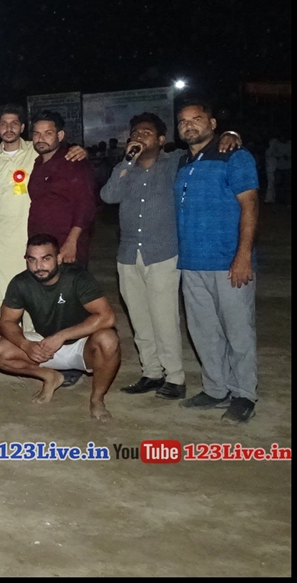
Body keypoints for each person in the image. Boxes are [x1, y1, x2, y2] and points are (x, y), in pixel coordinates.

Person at [173, 101, 259, 424]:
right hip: (191, 262)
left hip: (228, 262)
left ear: (212, 123)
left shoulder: (234, 156)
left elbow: (250, 206)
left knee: (239, 332)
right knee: (203, 331)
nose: (189, 125)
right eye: (183, 121)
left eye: (196, 119)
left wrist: (243, 255)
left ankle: (244, 394)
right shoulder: (182, 161)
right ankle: (215, 389)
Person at [0, 234, 121, 421]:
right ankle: (49, 376)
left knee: (108, 339)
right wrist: (26, 345)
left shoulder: (77, 278)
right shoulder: (21, 282)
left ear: (58, 258)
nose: (39, 266)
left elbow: (107, 317)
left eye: (45, 259)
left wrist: (62, 336)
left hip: (82, 346)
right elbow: (7, 322)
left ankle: (97, 399)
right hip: (44, 344)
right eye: (32, 260)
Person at [99, 113, 187, 400]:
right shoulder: (125, 168)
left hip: (162, 252)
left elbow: (201, 148)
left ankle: (175, 377)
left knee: (164, 319)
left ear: (161, 140)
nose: (139, 136)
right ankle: (151, 372)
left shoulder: (174, 163)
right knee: (139, 318)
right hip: (128, 254)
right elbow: (108, 196)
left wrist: (230, 135)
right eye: (135, 133)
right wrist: (126, 162)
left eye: (146, 133)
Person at [0, 104, 87, 333]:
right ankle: (4, 347)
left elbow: (60, 152)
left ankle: (35, 347)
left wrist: (80, 150)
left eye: (14, 123)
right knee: (2, 298)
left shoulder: (36, 150)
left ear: (22, 127)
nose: (9, 128)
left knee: (35, 297)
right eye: (4, 124)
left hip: (31, 239)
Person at [27, 110, 96, 266]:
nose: (41, 139)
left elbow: (86, 205)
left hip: (66, 248)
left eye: (48, 133)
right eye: (37, 134)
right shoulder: (37, 163)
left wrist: (72, 242)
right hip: (40, 248)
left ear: (60, 135)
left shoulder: (74, 162)